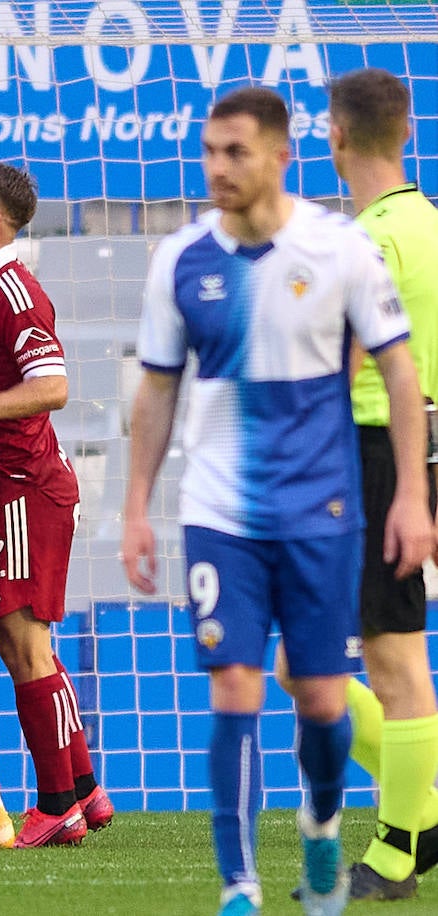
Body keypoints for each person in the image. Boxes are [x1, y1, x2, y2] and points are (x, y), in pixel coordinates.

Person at [120, 87, 433, 916]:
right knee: (246, 684)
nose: (218, 168)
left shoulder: (349, 248)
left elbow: (392, 372)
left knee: (345, 686)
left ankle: (365, 828)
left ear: (296, 150)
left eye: (236, 152)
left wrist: (408, 492)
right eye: (210, 152)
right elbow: (156, 389)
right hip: (235, 508)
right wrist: (136, 505)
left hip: (338, 493)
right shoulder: (185, 259)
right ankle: (243, 885)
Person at [276, 67, 438, 901]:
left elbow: (336, 370)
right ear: (407, 130)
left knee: (389, 659)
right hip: (406, 453)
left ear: (333, 137)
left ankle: (399, 848)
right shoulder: (426, 223)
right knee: (313, 666)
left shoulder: (367, 237)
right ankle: (422, 810)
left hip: (372, 456)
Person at [0, 156, 113, 848]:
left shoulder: (13, 291)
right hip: (10, 489)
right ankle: (83, 789)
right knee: (28, 645)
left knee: (25, 646)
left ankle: (54, 807)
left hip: (24, 490)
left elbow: (52, 387)